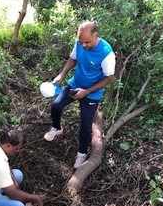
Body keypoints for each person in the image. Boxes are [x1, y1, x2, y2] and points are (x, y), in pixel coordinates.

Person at [44, 21, 116, 168]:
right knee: (56, 106)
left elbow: (109, 78)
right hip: (75, 84)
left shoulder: (106, 53)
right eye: (81, 42)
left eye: (87, 42)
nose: (83, 45)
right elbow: (73, 59)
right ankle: (57, 128)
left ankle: (82, 153)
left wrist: (87, 91)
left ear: (96, 35)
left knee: (85, 125)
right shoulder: (80, 42)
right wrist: (61, 75)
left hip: (92, 93)